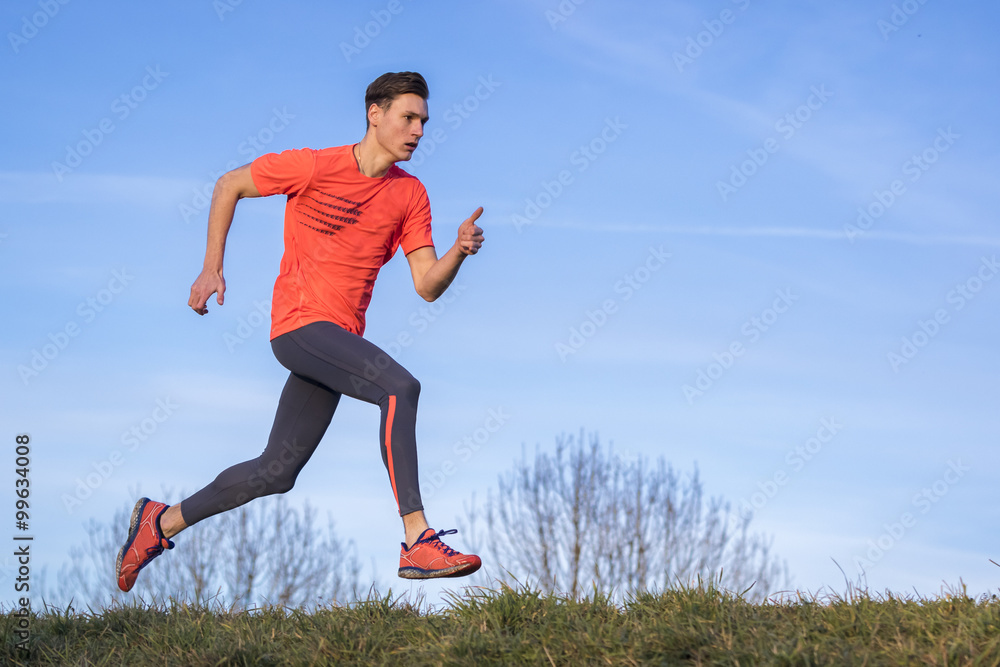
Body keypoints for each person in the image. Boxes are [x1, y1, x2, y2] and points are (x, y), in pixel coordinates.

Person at [117, 71, 485, 593]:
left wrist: (458, 252)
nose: (419, 130)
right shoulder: (314, 166)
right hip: (299, 325)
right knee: (400, 387)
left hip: (337, 341)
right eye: (408, 117)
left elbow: (427, 285)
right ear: (373, 113)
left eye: (424, 121)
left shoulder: (410, 195)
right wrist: (211, 267)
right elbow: (230, 184)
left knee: (276, 471)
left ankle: (160, 521)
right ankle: (417, 537)